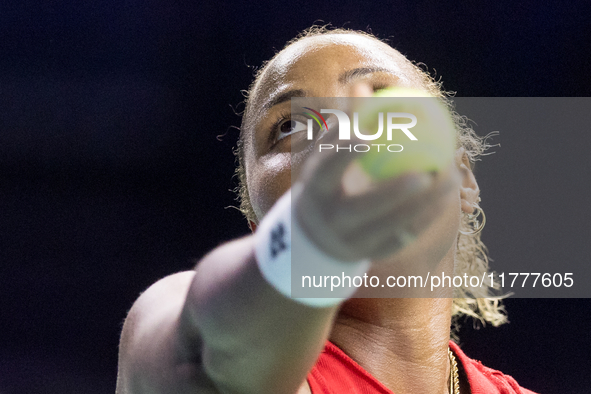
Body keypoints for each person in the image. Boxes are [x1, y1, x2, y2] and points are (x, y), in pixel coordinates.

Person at [116, 26, 536, 394]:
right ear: (261, 228)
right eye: (291, 126)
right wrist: (313, 237)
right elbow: (208, 361)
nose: (342, 132)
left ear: (463, 180)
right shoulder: (172, 316)